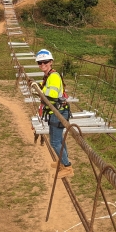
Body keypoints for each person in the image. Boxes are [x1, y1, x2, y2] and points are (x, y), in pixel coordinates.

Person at [36, 49, 73, 178]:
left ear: (51, 62)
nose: (42, 65)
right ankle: (62, 161)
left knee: (55, 142)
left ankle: (67, 168)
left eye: (45, 62)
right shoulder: (48, 75)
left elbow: (51, 94)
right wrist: (37, 86)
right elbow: (44, 88)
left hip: (59, 112)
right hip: (55, 112)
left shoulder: (54, 76)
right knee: (59, 140)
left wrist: (40, 90)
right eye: (40, 63)